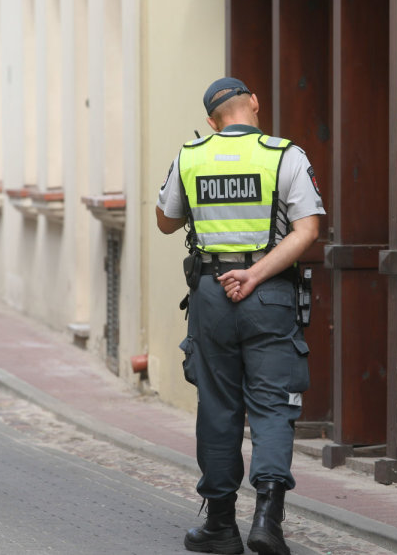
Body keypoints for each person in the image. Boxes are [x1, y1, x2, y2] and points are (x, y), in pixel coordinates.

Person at [156, 77, 324, 555]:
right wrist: (255, 275)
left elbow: (165, 220)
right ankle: (268, 522)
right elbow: (307, 230)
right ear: (254, 103)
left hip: (210, 295)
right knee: (274, 406)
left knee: (218, 407)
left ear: (212, 120)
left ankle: (221, 526)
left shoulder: (191, 156)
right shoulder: (285, 155)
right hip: (268, 294)